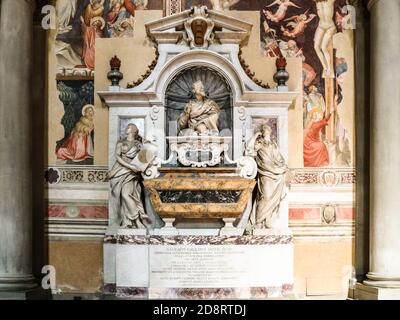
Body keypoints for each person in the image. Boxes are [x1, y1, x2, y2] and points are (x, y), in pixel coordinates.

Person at [109, 124, 151, 229]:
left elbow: (147, 154)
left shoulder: (138, 144)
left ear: (134, 130)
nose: (126, 128)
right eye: (127, 126)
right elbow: (117, 156)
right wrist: (129, 166)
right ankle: (128, 221)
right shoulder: (121, 142)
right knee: (124, 197)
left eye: (129, 127)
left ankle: (137, 220)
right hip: (120, 170)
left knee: (128, 195)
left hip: (132, 173)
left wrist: (146, 145)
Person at [246, 125, 288, 229]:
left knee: (272, 198)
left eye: (268, 130)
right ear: (262, 132)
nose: (267, 131)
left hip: (275, 172)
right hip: (264, 172)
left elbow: (278, 157)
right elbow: (248, 148)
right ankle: (258, 221)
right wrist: (255, 136)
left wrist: (283, 166)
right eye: (264, 130)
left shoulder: (273, 144)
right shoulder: (260, 142)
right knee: (266, 196)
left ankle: (267, 221)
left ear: (270, 132)